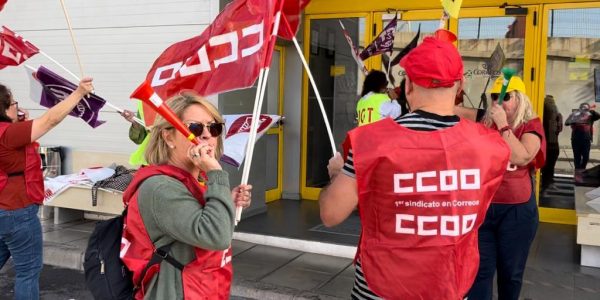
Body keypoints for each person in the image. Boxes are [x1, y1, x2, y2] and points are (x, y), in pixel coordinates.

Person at [319, 32, 511, 299]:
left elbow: (331, 214)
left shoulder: (370, 142)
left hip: (380, 286)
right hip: (450, 285)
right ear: (460, 86)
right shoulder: (491, 147)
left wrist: (337, 174)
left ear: (408, 85)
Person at [119, 92, 252, 299]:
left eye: (214, 127)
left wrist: (227, 201)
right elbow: (217, 236)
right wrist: (216, 174)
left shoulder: (196, 181)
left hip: (206, 289)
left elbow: (202, 225)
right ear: (168, 136)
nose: (207, 135)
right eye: (195, 128)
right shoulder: (161, 187)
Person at [0, 78, 94, 299]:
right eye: (14, 103)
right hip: (17, 212)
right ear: (3, 109)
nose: (18, 106)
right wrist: (78, 93)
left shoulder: (10, 132)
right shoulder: (9, 135)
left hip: (4, 211)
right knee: (28, 272)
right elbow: (50, 120)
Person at [463, 76, 546, 300]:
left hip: (516, 212)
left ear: (519, 99)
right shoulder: (485, 120)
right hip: (484, 209)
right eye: (494, 97)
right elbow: (451, 110)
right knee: (479, 272)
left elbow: (522, 156)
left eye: (505, 97)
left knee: (510, 274)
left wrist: (503, 125)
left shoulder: (531, 125)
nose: (498, 103)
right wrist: (455, 87)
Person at [565, 102, 600, 181]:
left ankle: (582, 169)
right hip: (576, 140)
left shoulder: (590, 116)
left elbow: (598, 116)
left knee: (586, 157)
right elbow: (566, 123)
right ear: (580, 108)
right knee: (577, 157)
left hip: (586, 140)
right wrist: (574, 116)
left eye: (586, 108)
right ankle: (578, 174)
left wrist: (591, 110)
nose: (584, 109)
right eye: (583, 108)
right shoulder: (575, 115)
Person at [542, 95, 563, 189]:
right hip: (552, 144)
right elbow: (558, 129)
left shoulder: (548, 112)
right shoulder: (555, 113)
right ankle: (548, 183)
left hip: (549, 144)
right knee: (549, 165)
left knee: (547, 165)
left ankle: (547, 183)